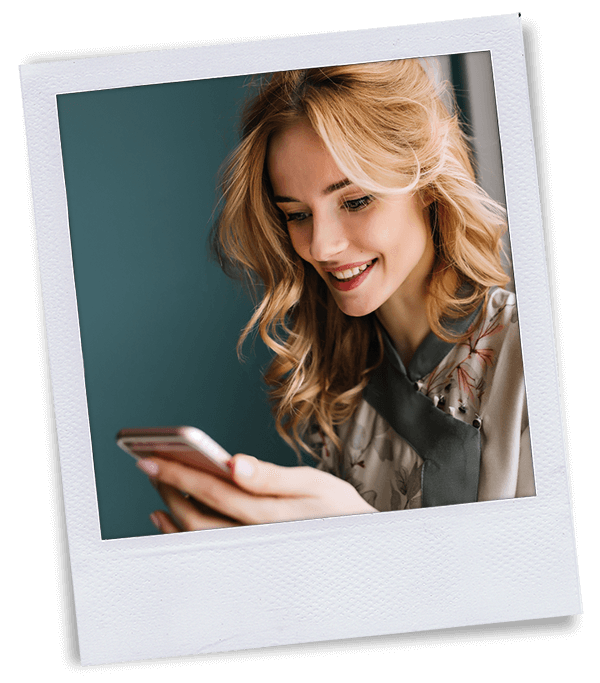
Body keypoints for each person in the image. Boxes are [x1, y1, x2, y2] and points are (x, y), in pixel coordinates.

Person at [136, 58, 535, 533]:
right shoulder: (339, 395)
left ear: (426, 183)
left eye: (355, 201)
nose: (320, 246)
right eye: (296, 214)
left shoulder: (529, 357)